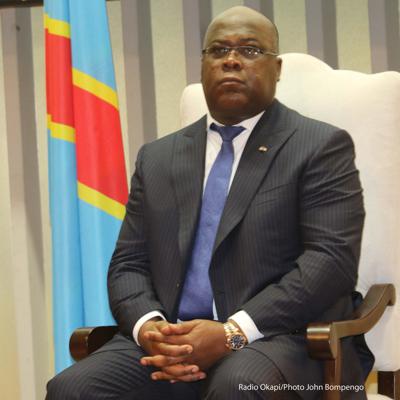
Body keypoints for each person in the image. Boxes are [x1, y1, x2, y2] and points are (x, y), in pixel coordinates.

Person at [46, 6, 373, 400]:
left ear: (277, 68)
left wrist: (232, 332)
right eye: (218, 50)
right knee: (71, 389)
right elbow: (129, 263)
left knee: (237, 387)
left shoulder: (319, 147)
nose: (231, 60)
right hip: (173, 336)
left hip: (278, 338)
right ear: (202, 66)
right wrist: (150, 329)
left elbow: (331, 261)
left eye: (250, 50)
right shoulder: (158, 157)